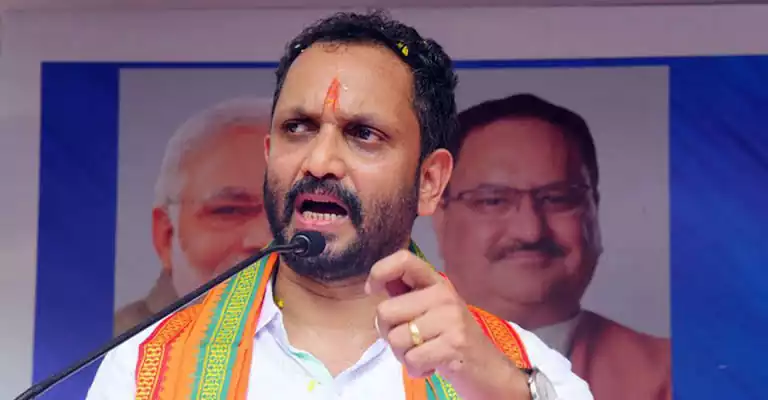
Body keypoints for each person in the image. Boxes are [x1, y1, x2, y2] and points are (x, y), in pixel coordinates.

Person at [88, 12, 592, 399]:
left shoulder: (516, 370)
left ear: (430, 181)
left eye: (363, 134)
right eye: (298, 128)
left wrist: (502, 391)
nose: (320, 161)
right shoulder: (145, 370)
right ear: (269, 156)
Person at [432, 93, 671, 400]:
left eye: (558, 199)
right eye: (493, 200)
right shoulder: (380, 368)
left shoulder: (673, 374)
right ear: (439, 215)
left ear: (594, 208)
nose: (530, 231)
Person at [113, 97, 273, 336]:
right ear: (166, 236)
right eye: (229, 211)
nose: (264, 239)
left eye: (289, 213)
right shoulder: (119, 349)